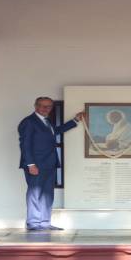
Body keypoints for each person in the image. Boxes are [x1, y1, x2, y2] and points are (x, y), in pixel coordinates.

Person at [17, 97, 83, 232]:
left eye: (49, 106)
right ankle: (34, 223)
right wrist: (30, 164)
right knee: (35, 192)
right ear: (36, 106)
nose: (46, 109)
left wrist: (75, 120)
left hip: (50, 163)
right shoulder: (29, 122)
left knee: (47, 193)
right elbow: (25, 144)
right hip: (35, 164)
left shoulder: (47, 122)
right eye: (43, 106)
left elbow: (56, 132)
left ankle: (45, 222)